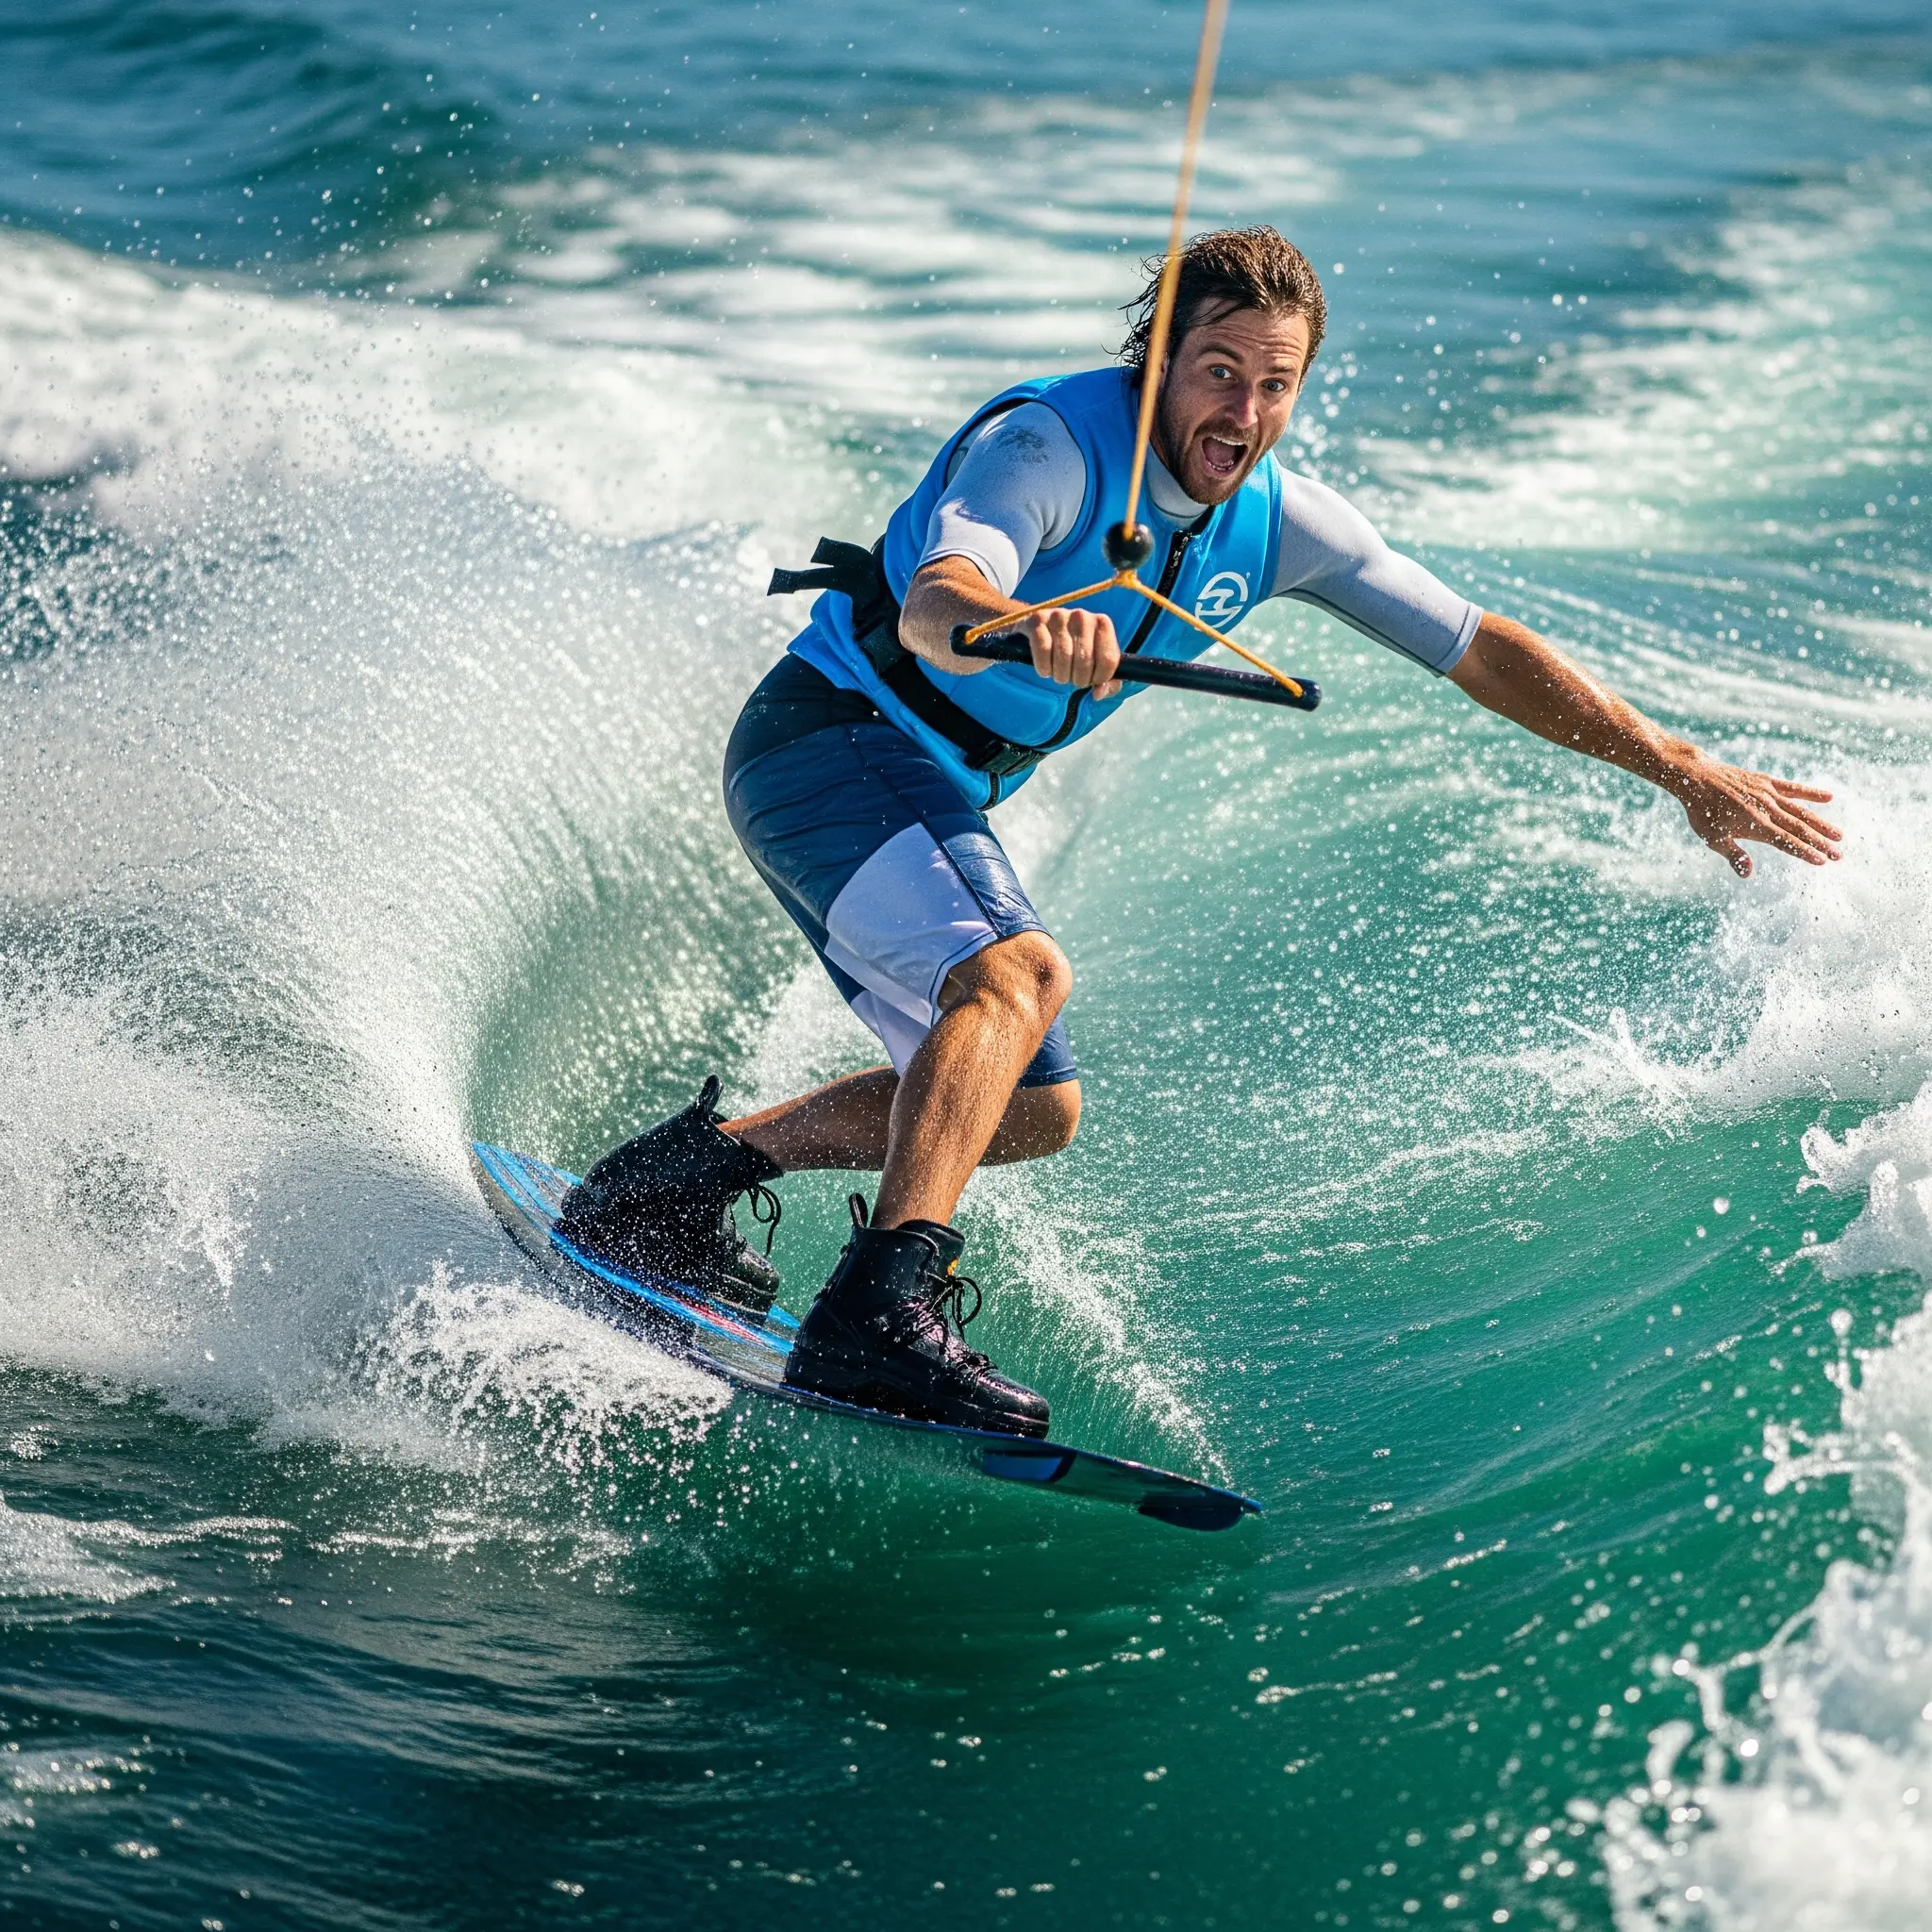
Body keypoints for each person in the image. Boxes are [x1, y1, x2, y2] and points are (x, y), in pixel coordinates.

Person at [557, 225, 1842, 1440]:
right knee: (1015, 975)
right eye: (1217, 372)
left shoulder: (1283, 518)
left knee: (1032, 1107)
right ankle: (874, 1316)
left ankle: (675, 1183)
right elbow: (948, 591)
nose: (1240, 412)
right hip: (829, 742)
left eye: (1272, 385)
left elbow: (1478, 648)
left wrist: (1674, 765)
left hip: (927, 782)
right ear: (1158, 358)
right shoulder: (1049, 448)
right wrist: (1017, 622)